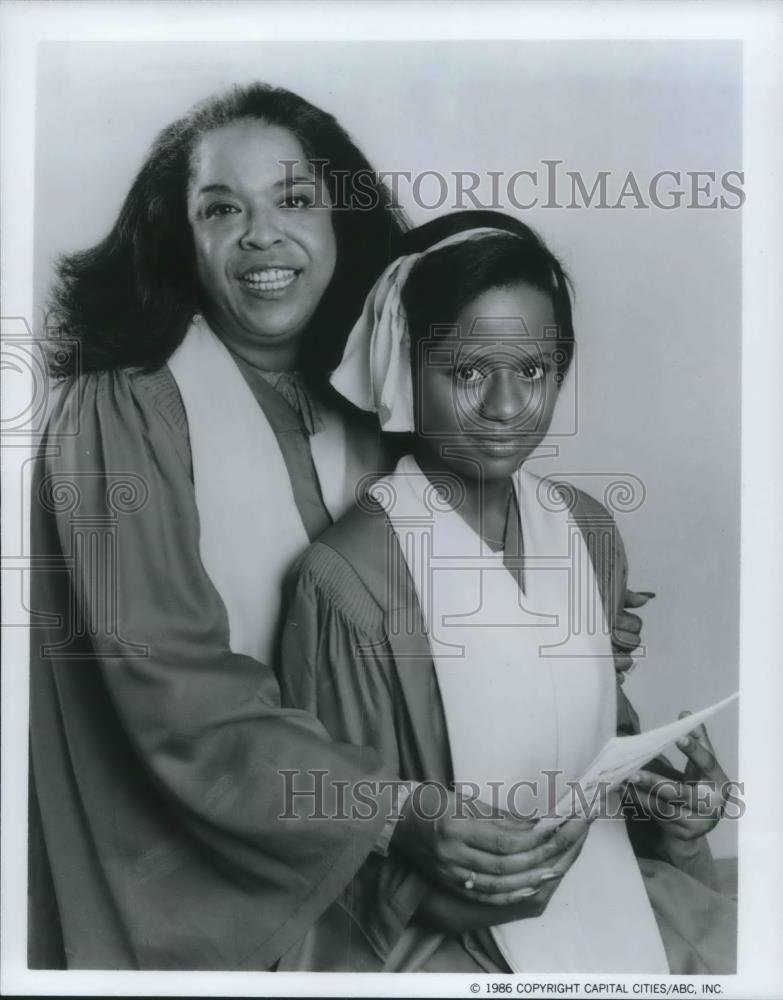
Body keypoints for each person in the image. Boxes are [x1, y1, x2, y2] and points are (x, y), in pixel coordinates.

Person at [28, 84, 650, 970]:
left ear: (338, 221)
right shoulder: (122, 405)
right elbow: (165, 685)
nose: (260, 234)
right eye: (219, 208)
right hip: (198, 873)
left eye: (293, 199)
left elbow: (424, 618)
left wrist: (574, 627)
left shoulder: (366, 397)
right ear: (179, 235)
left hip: (386, 871)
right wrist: (389, 810)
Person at [277, 211, 738, 973]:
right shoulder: (348, 577)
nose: (503, 408)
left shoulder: (587, 534)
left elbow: (589, 757)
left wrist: (673, 814)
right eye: (466, 372)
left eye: (532, 370)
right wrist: (464, 895)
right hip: (445, 939)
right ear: (404, 366)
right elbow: (336, 832)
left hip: (612, 897)